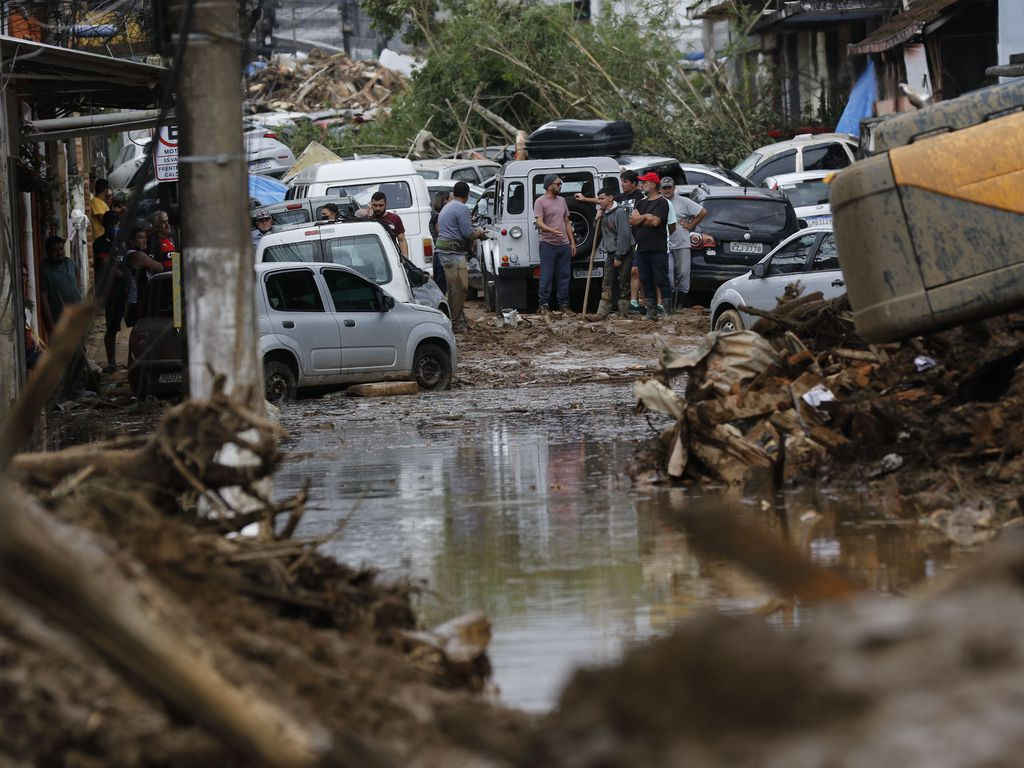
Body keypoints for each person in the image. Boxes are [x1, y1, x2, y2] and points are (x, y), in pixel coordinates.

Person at [435, 181, 488, 331]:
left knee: (454, 288)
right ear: (467, 195)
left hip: (445, 252)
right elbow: (468, 233)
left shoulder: (448, 206)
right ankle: (456, 323)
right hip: (452, 253)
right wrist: (479, 233)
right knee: (460, 288)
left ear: (454, 192)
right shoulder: (462, 208)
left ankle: (459, 319)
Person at [585, 187, 635, 321]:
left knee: (623, 282)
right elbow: (600, 233)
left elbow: (624, 236)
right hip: (611, 252)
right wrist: (596, 220)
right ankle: (602, 313)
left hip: (624, 252)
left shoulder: (619, 212)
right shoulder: (603, 213)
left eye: (602, 199)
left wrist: (619, 256)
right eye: (599, 199)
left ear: (610, 198)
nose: (599, 201)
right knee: (606, 281)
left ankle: (623, 313)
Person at [629, 172, 673, 321]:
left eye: (644, 182)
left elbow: (655, 222)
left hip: (658, 248)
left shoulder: (662, 202)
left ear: (653, 185)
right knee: (646, 279)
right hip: (641, 248)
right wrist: (646, 217)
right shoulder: (641, 203)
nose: (641, 185)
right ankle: (651, 311)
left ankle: (667, 310)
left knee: (661, 278)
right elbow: (633, 221)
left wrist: (642, 218)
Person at [660, 176, 707, 308]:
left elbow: (703, 212)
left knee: (683, 273)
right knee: (668, 273)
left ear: (674, 188)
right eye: (664, 188)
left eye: (669, 187)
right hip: (665, 244)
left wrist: (691, 224)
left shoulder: (683, 201)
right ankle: (669, 303)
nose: (667, 190)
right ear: (660, 189)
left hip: (682, 243)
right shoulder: (658, 202)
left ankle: (681, 303)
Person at [533, 174, 575, 314]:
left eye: (560, 183)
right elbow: (539, 222)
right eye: (558, 184)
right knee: (546, 275)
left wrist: (572, 243)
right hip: (547, 244)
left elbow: (567, 222)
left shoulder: (562, 200)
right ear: (549, 185)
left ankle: (564, 305)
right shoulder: (540, 201)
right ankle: (544, 304)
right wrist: (551, 230)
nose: (560, 186)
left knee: (564, 276)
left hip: (563, 244)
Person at [39, 236, 82, 337]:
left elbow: (77, 273)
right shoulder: (44, 269)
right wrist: (50, 325)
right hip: (59, 322)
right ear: (48, 252)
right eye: (55, 250)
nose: (59, 253)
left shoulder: (70, 263)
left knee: (80, 350)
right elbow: (43, 298)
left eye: (61, 249)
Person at [123, 225, 165, 329]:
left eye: (145, 237)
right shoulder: (137, 255)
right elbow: (159, 268)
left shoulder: (133, 254)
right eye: (140, 238)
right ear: (131, 241)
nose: (145, 240)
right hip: (137, 302)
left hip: (138, 301)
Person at [367, 191, 409, 258]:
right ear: (371, 205)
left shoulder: (395, 219)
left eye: (381, 205)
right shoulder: (366, 219)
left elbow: (402, 240)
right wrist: (369, 217)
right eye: (375, 205)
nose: (378, 208)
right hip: (371, 257)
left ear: (386, 204)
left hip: (391, 257)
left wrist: (405, 258)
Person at [428, 190, 452, 294]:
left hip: (439, 254)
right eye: (451, 199)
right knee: (442, 286)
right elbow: (441, 233)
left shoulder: (436, 216)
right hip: (442, 254)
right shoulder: (438, 217)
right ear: (445, 201)